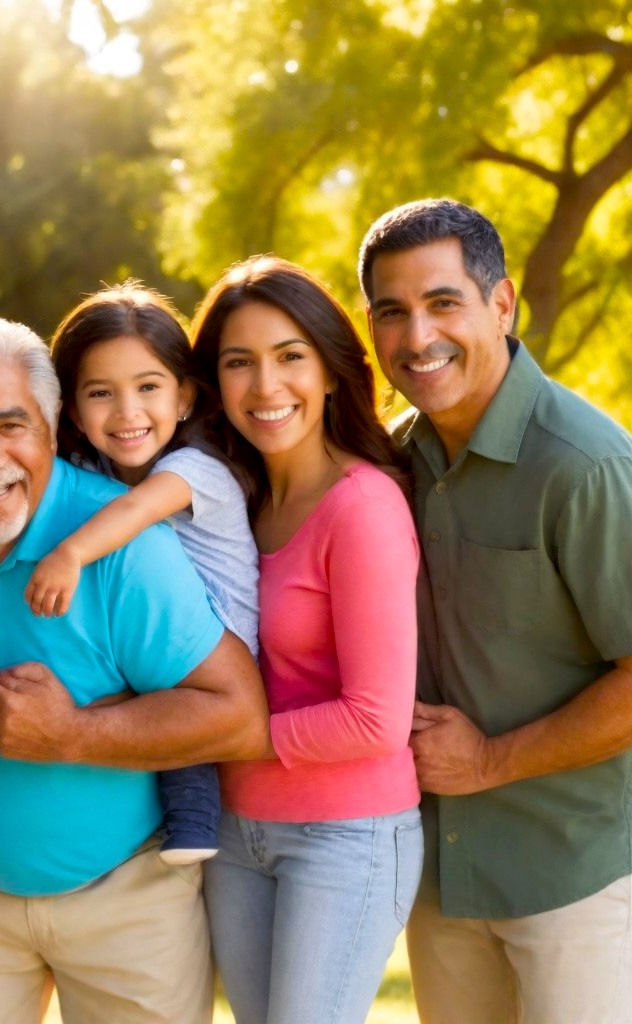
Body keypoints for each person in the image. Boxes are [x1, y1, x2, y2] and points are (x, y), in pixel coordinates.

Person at [0, 314, 270, 1024]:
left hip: (128, 895)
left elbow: (239, 716)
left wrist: (68, 733)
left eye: (13, 423)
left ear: (51, 427)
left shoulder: (126, 546)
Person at [357, 197, 632, 1024]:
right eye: (392, 312)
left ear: (502, 304)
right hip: (441, 879)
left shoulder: (584, 467)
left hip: (572, 877)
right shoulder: (392, 463)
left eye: (444, 303)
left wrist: (487, 764)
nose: (416, 338)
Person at [191, 256, 423, 1024]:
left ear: (330, 371)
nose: (266, 387)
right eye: (239, 363)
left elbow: (375, 719)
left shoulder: (363, 507)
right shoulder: (229, 503)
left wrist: (211, 733)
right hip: (237, 831)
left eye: (290, 356)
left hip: (346, 836)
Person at [25, 282, 259, 864]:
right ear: (73, 410)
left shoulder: (196, 469)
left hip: (219, 646)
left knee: (180, 735)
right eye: (101, 393)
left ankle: (193, 825)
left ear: (184, 395)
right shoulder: (88, 469)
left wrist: (71, 554)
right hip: (150, 645)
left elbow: (134, 511)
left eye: (148, 388)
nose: (128, 413)